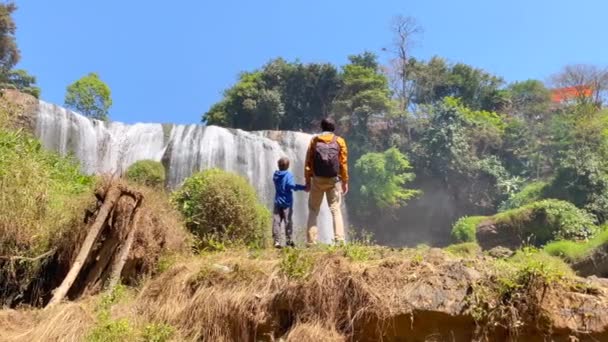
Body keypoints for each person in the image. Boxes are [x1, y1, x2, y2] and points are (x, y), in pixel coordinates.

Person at [304, 118, 348, 245]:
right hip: (333, 180)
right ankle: (339, 240)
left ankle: (311, 242)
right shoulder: (340, 141)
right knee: (335, 209)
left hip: (317, 180)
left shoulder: (315, 140)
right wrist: (345, 181)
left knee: (313, 210)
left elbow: (308, 162)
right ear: (334, 128)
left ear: (321, 128)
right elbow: (343, 163)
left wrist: (307, 180)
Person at [272, 157, 307, 248]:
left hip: (277, 202)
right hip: (287, 203)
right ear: (288, 166)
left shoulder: (275, 175)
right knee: (288, 222)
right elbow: (291, 185)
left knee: (276, 221)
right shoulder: (288, 175)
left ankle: (276, 241)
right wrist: (303, 187)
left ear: (278, 165)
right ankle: (289, 241)